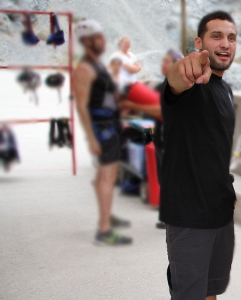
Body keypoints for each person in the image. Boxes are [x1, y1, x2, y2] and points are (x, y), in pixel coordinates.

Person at [159, 11, 237, 300]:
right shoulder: (192, 83)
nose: (225, 44)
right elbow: (176, 80)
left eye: (231, 38)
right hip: (189, 215)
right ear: (199, 42)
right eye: (216, 36)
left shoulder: (224, 89)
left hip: (220, 211)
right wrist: (186, 68)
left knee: (210, 291)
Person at [73, 19, 132, 246]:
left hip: (110, 124)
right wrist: (91, 138)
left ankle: (106, 215)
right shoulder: (85, 68)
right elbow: (81, 105)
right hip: (103, 129)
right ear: (87, 41)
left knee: (105, 174)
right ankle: (104, 229)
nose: (103, 41)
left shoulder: (96, 64)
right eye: (98, 37)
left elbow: (106, 94)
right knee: (107, 175)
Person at [119, 48, 184, 229]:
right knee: (163, 177)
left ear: (175, 64)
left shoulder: (177, 86)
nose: (162, 65)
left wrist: (133, 104)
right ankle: (167, 215)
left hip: (172, 139)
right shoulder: (166, 84)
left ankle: (173, 216)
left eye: (166, 61)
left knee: (170, 178)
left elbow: (163, 111)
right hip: (162, 137)